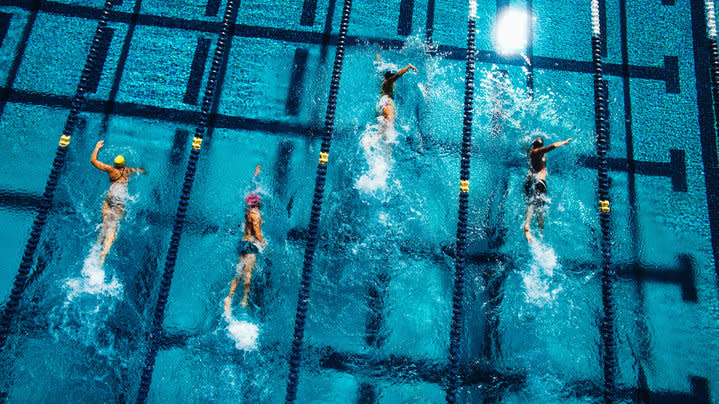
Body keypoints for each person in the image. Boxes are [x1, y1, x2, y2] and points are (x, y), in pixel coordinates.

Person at [91, 140, 145, 264]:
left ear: (115, 164)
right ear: (124, 163)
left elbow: (93, 161)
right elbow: (140, 170)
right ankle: (104, 254)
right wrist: (144, 170)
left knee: (105, 221)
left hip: (110, 197)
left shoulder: (111, 170)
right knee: (113, 226)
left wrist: (97, 148)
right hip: (120, 201)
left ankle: (98, 243)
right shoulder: (128, 170)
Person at [225, 165, 265, 313]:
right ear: (258, 203)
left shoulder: (247, 211)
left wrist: (255, 174)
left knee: (239, 271)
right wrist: (264, 245)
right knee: (248, 275)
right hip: (251, 245)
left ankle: (229, 297)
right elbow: (257, 232)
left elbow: (251, 190)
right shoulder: (255, 214)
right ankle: (244, 301)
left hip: (243, 243)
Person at [523, 136, 572, 243]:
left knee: (531, 203)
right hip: (539, 182)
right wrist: (564, 141)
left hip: (530, 181)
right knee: (539, 208)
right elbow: (553, 146)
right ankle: (534, 229)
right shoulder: (537, 152)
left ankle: (532, 227)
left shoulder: (530, 152)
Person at [376, 55, 418, 126]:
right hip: (387, 105)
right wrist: (409, 66)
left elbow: (380, 72)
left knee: (382, 131)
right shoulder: (388, 83)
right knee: (390, 132)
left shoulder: (383, 83)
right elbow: (398, 75)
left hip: (381, 105)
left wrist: (378, 59)